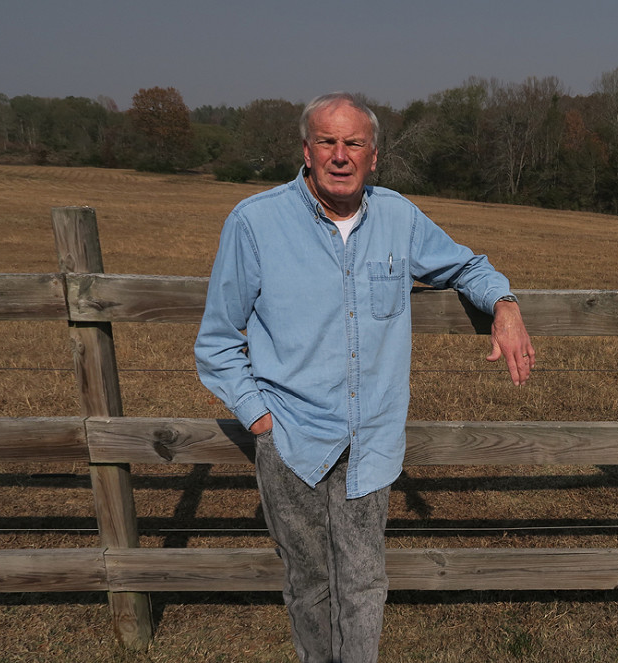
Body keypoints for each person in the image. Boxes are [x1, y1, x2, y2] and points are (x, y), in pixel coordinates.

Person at [194, 91, 535, 662]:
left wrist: (504, 304)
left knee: (363, 581)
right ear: (307, 150)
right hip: (291, 437)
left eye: (354, 143)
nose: (341, 155)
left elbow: (466, 265)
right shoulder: (255, 222)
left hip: (370, 441)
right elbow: (218, 341)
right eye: (327, 141)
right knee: (308, 582)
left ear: (373, 155)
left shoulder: (398, 217)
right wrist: (259, 417)